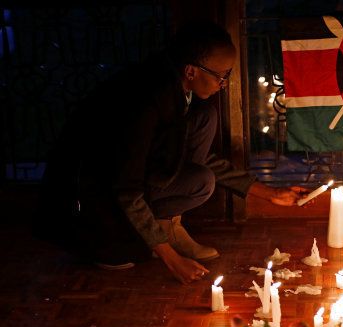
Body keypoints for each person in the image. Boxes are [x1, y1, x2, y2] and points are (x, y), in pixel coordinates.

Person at [34, 20, 307, 284]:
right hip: (91, 200)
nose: (223, 84)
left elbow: (196, 159)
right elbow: (126, 189)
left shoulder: (177, 88)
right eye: (221, 76)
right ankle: (135, 236)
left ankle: (164, 225)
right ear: (191, 71)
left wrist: (269, 194)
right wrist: (172, 260)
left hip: (135, 178)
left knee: (205, 128)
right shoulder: (146, 100)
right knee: (125, 256)